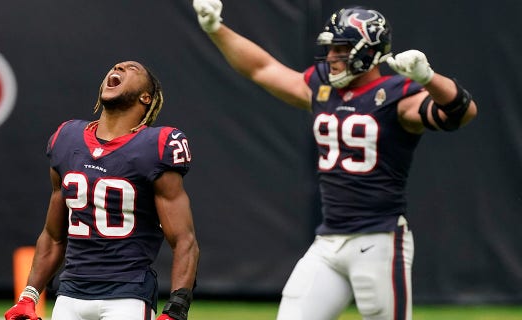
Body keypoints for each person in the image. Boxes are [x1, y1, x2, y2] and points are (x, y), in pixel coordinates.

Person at [192, 1, 477, 319]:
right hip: (329, 241)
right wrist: (215, 29)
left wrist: (428, 78)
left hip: (378, 240)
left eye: (340, 49)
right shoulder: (323, 88)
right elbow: (262, 69)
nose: (331, 57)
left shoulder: (397, 94)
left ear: (369, 51)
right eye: (330, 49)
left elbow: (462, 113)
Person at [4, 61, 200, 320]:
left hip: (127, 295)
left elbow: (184, 240)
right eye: (117, 66)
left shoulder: (156, 145)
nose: (119, 66)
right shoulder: (67, 138)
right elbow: (53, 236)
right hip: (70, 294)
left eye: (132, 69)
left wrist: (177, 307)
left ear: (146, 97)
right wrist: (29, 296)